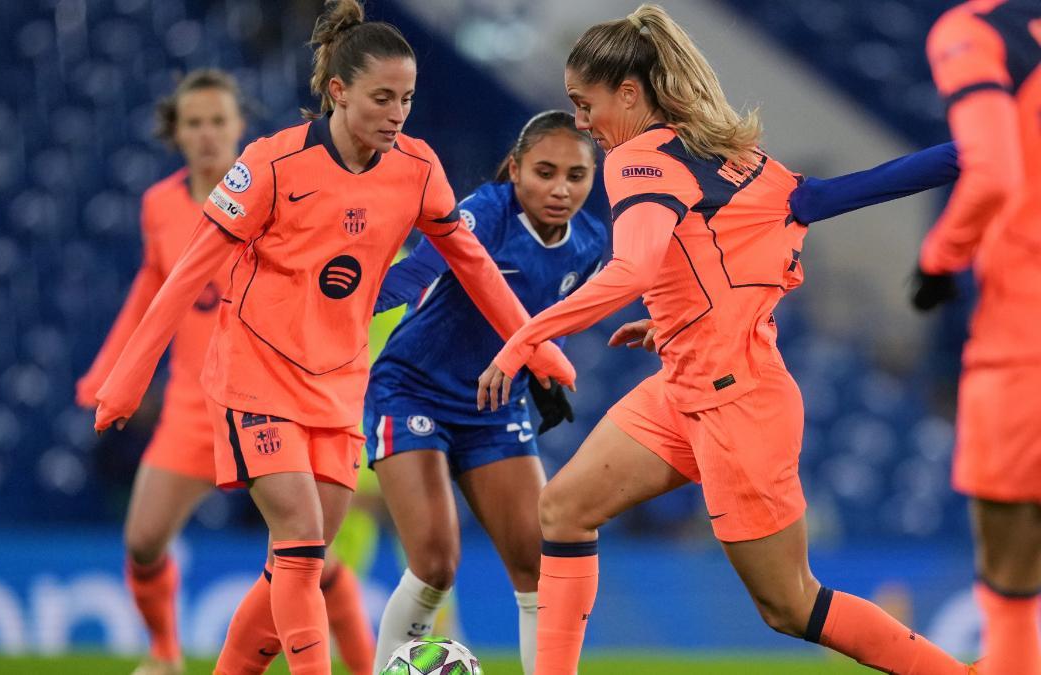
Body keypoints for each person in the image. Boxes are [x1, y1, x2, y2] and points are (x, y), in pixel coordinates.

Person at [475, 6, 975, 674]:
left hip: (737, 406)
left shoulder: (637, 161)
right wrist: (679, 317)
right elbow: (830, 196)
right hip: (685, 387)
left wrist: (521, 339)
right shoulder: (732, 158)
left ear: (628, 94)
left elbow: (633, 268)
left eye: (584, 104)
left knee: (790, 605)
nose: (583, 123)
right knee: (563, 509)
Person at [91, 1, 576, 673]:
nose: (397, 112)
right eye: (382, 97)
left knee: (298, 562)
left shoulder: (417, 168)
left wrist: (536, 345)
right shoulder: (270, 165)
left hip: (339, 385)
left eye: (406, 98)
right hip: (256, 374)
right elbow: (189, 271)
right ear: (338, 92)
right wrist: (128, 374)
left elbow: (473, 264)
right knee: (299, 535)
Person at [75, 69, 375, 675]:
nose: (208, 134)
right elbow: (154, 285)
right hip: (192, 401)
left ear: (240, 127)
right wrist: (112, 368)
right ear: (176, 134)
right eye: (194, 123)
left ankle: (362, 665)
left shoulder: (274, 189)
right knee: (142, 540)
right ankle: (164, 653)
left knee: (306, 553)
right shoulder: (159, 205)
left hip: (266, 391)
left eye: (219, 121)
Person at [366, 110, 605, 673]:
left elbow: (554, 325)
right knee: (435, 562)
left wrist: (548, 371)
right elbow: (415, 274)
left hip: (494, 409)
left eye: (576, 176)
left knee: (538, 564)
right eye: (545, 172)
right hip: (413, 391)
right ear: (516, 170)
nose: (560, 189)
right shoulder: (486, 212)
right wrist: (341, 302)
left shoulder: (590, 244)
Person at [911, 2, 1041, 674]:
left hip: (1024, 339)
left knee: (1012, 573)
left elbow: (992, 171)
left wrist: (938, 260)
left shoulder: (977, 31)